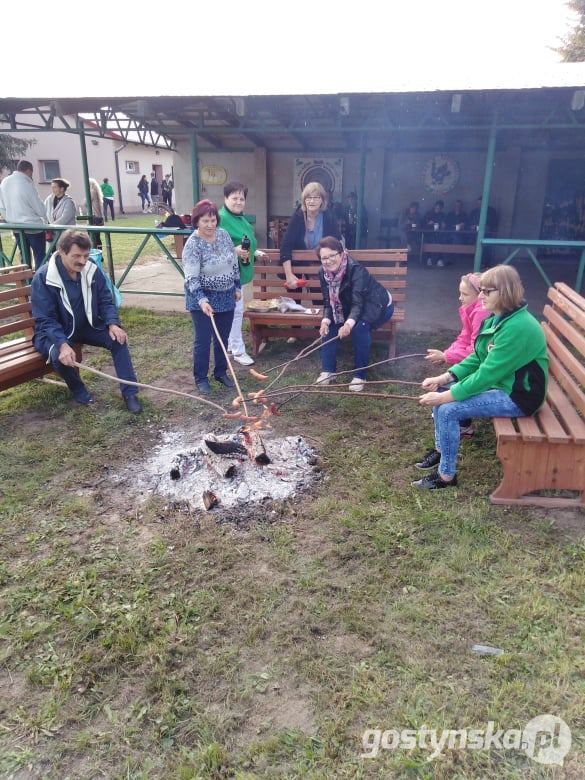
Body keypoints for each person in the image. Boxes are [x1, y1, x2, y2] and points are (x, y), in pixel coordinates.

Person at [412, 265, 548, 490]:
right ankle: (441, 451)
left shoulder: (517, 327)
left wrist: (447, 396)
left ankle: (446, 476)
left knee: (448, 408)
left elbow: (486, 374)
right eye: (481, 290)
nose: (481, 296)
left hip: (520, 396)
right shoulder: (497, 318)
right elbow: (478, 357)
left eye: (487, 291)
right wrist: (445, 378)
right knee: (441, 397)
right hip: (503, 385)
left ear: (504, 292)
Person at [31, 229, 141, 413]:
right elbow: (45, 319)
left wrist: (113, 323)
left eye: (86, 255)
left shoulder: (91, 269)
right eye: (76, 256)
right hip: (54, 332)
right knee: (60, 356)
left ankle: (130, 393)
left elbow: (106, 300)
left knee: (119, 341)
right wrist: (63, 344)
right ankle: (79, 390)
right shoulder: (43, 277)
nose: (82, 261)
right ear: (61, 250)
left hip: (86, 325)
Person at [316, 236, 394, 392]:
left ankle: (360, 375)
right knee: (329, 326)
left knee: (360, 327)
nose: (328, 261)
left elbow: (358, 303)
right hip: (349, 306)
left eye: (332, 255)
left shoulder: (356, 270)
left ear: (341, 253)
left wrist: (348, 324)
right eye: (324, 258)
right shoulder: (323, 273)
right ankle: (328, 371)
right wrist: (325, 320)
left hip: (377, 305)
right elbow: (328, 301)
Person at [182, 199, 241, 395]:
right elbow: (191, 277)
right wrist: (202, 300)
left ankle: (221, 372)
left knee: (222, 337)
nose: (210, 225)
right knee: (203, 339)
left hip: (226, 295)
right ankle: (200, 378)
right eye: (205, 221)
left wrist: (237, 286)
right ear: (197, 221)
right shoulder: (192, 245)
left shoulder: (223, 236)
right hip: (202, 299)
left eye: (213, 220)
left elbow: (233, 262)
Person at [422, 272, 490, 441]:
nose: (460, 298)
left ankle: (463, 426)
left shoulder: (481, 313)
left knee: (446, 388)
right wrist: (447, 354)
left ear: (480, 294)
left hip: (486, 367)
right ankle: (456, 420)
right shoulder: (470, 309)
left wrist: (446, 357)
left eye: (465, 294)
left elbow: (476, 350)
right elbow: (464, 338)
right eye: (460, 293)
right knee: (445, 384)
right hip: (480, 363)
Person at [218, 181, 267, 366]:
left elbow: (245, 241)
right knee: (236, 312)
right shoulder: (220, 218)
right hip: (227, 275)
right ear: (225, 198)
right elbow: (215, 247)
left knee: (234, 311)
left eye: (241, 198)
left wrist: (255, 252)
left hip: (241, 271)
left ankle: (231, 344)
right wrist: (234, 250)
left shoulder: (241, 218)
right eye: (234, 198)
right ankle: (238, 352)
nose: (238, 202)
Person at [279, 182, 341, 289]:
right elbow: (285, 246)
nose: (312, 201)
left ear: (322, 200)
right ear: (304, 200)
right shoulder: (297, 217)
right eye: (308, 197)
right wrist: (289, 275)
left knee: (318, 299)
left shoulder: (328, 217)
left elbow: (337, 242)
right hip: (297, 266)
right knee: (294, 299)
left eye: (316, 197)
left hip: (320, 265)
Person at [0, 160, 47, 270]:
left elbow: (1, 207)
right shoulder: (27, 184)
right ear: (29, 171)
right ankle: (39, 281)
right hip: (33, 227)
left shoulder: (5, 182)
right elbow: (40, 210)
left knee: (24, 257)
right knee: (40, 256)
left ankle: (26, 280)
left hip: (16, 227)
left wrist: (10, 219)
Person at [423, 200, 447, 267]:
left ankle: (439, 260)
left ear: (442, 208)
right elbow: (423, 224)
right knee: (431, 241)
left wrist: (443, 225)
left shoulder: (443, 215)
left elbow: (444, 225)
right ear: (434, 206)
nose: (438, 209)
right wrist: (428, 224)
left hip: (440, 233)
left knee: (443, 241)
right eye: (437, 208)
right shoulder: (428, 214)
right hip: (429, 233)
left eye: (440, 208)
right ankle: (429, 258)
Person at [88, 178, 105, 250]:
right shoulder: (97, 191)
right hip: (99, 217)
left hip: (94, 217)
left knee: (93, 238)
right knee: (97, 238)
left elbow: (86, 202)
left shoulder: (92, 191)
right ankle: (99, 254)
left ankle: (96, 254)